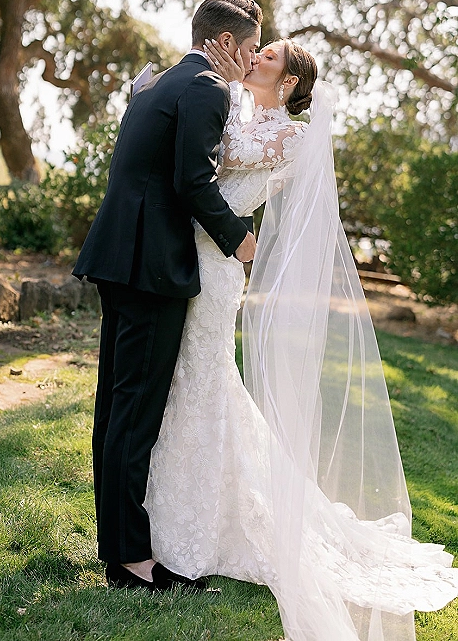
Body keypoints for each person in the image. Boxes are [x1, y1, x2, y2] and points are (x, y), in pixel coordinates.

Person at [145, 38, 458, 641]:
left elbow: (226, 160)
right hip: (185, 256)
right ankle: (179, 511)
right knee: (195, 382)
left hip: (215, 267)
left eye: (268, 58)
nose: (255, 57)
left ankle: (195, 524)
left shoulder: (289, 138)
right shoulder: (230, 102)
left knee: (203, 379)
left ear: (287, 83)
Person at [73, 0, 262, 591]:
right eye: (251, 48)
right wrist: (241, 241)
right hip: (151, 267)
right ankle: (132, 561)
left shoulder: (154, 86)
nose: (251, 60)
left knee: (116, 407)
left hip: (117, 255)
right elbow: (192, 182)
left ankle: (118, 546)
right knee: (136, 413)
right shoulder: (206, 87)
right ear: (225, 43)